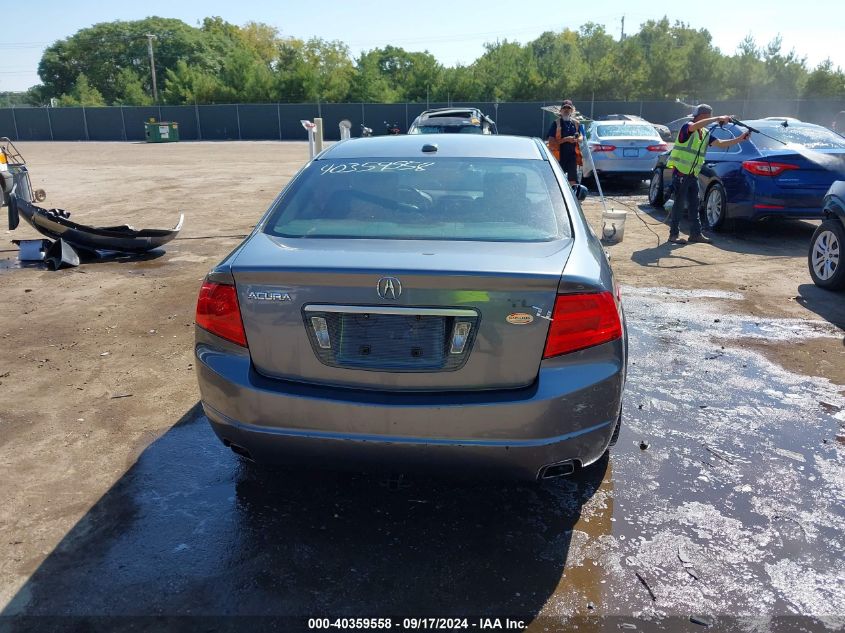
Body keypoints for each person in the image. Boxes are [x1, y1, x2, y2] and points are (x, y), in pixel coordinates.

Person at [666, 104, 750, 244]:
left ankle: (695, 234)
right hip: (681, 173)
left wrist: (740, 138)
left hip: (692, 174)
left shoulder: (704, 132)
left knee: (695, 204)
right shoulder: (687, 127)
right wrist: (718, 118)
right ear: (701, 116)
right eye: (708, 115)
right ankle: (673, 235)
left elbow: (721, 143)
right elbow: (695, 126)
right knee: (679, 205)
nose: (710, 117)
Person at [547, 100, 581, 185]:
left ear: (572, 110)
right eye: (564, 108)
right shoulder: (556, 123)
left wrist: (578, 139)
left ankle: (573, 196)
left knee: (573, 180)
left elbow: (581, 137)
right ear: (560, 110)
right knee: (557, 179)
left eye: (569, 108)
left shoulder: (576, 123)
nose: (566, 110)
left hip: (572, 156)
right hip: (558, 156)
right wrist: (566, 139)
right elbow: (551, 142)